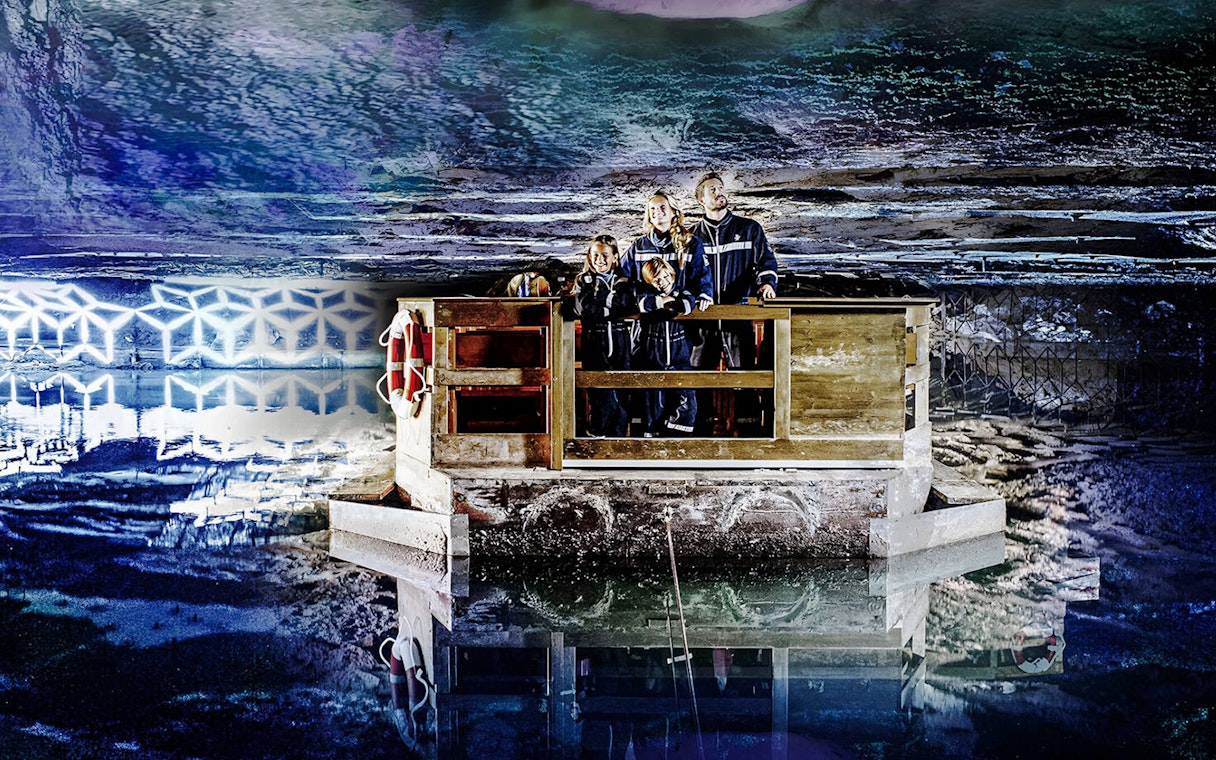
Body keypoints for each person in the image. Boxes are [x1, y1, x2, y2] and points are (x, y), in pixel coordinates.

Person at [689, 172, 780, 434]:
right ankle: (700, 435)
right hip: (700, 319)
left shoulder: (749, 229)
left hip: (738, 315)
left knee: (743, 376)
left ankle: (749, 435)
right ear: (701, 200)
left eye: (720, 187)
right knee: (698, 378)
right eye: (712, 190)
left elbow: (766, 262)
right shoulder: (691, 237)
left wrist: (766, 284)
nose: (719, 192)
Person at [572, 234, 633, 437]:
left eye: (605, 255)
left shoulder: (623, 280)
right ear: (589, 256)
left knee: (622, 390)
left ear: (615, 256)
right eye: (596, 255)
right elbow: (584, 308)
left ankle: (618, 439)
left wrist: (601, 303)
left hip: (620, 340)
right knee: (599, 391)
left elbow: (625, 304)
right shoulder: (583, 280)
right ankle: (598, 435)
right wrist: (611, 305)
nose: (600, 260)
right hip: (594, 341)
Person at [620, 191, 713, 311]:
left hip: (680, 317)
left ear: (673, 211)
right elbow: (622, 274)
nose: (657, 211)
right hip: (649, 318)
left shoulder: (691, 243)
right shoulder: (639, 246)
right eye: (652, 209)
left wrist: (704, 295)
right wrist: (634, 298)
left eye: (662, 207)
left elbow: (702, 273)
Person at [636, 257, 697, 437]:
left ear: (671, 274)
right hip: (653, 355)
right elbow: (641, 304)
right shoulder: (646, 294)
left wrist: (669, 303)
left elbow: (687, 305)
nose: (662, 283)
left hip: (679, 356)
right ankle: (653, 439)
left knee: (687, 400)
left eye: (665, 277)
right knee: (654, 402)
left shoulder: (682, 291)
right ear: (649, 282)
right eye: (656, 280)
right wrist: (661, 302)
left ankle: (678, 437)